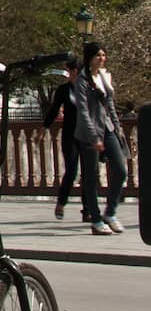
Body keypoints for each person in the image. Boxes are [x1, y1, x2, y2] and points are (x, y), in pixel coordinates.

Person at [74, 41, 128, 235]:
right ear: (90, 58)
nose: (102, 58)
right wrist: (94, 136)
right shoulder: (82, 80)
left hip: (108, 129)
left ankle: (110, 212)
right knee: (91, 176)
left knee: (121, 170)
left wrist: (117, 127)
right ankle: (95, 218)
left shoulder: (103, 77)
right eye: (98, 55)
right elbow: (83, 111)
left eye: (104, 55)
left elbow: (109, 104)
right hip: (89, 133)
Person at [44, 55, 80, 219]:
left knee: (89, 172)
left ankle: (87, 209)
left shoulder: (88, 89)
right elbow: (54, 110)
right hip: (70, 135)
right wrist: (44, 127)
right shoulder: (64, 90)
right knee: (71, 170)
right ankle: (61, 202)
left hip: (86, 134)